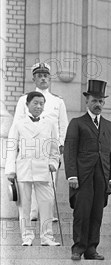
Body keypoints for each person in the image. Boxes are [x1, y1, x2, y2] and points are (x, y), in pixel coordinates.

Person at [63, 80, 111, 260]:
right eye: (95, 100)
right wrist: (71, 175)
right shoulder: (77, 123)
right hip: (82, 175)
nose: (98, 104)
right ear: (87, 101)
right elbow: (70, 151)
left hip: (102, 175)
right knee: (82, 211)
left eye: (101, 101)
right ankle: (78, 248)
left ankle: (91, 249)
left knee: (97, 212)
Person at [13, 63, 68, 222]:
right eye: (39, 75)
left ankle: (47, 214)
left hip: (50, 147)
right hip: (30, 146)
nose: (43, 78)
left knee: (49, 181)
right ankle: (31, 213)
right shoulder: (25, 99)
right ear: (34, 79)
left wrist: (61, 143)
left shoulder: (58, 101)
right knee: (29, 179)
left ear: (50, 78)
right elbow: (18, 123)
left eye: (45, 75)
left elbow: (63, 124)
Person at [5, 91, 60, 246]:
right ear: (27, 104)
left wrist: (53, 163)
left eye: (41, 103)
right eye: (35, 103)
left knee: (47, 204)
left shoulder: (50, 123)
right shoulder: (19, 123)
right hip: (24, 168)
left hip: (44, 169)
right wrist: (11, 170)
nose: (38, 106)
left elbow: (55, 149)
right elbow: (11, 147)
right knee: (24, 206)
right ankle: (27, 237)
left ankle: (47, 236)